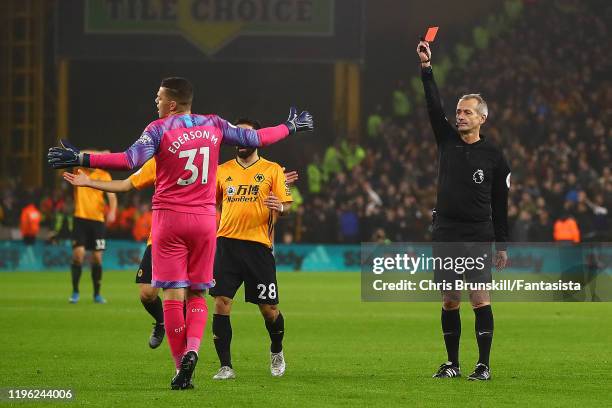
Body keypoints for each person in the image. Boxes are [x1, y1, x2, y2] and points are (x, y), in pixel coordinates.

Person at [48, 76, 313, 390]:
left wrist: (82, 159)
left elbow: (127, 160)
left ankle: (180, 369)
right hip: (203, 222)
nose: (156, 102)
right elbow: (258, 138)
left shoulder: (159, 130)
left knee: (173, 296)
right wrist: (290, 127)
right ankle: (193, 350)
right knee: (199, 295)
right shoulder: (213, 124)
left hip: (169, 220)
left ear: (172, 103)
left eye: (159, 97)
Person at [63, 155, 298, 351]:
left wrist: (272, 180)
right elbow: (126, 183)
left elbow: (234, 185)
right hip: (162, 236)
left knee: (191, 297)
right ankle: (162, 322)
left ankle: (188, 357)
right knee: (147, 293)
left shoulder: (202, 161)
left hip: (194, 237)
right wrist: (88, 182)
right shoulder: (158, 161)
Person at [417, 40, 510, 381]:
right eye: (458, 111)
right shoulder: (447, 140)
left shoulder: (495, 156)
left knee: (479, 297)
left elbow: (501, 203)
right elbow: (432, 107)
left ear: (482, 118)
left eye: (467, 111)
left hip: (478, 234)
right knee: (450, 299)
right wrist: (427, 69)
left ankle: (483, 365)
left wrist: (501, 243)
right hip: (447, 232)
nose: (460, 115)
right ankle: (452, 364)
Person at [209, 118, 293, 380]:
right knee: (222, 303)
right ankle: (225, 366)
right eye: (237, 136)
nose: (241, 141)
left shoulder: (272, 170)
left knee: (269, 310)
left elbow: (286, 204)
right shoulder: (221, 170)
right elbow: (211, 203)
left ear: (256, 139)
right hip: (227, 245)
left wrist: (280, 207)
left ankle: (277, 350)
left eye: (246, 136)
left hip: (258, 247)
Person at [69, 162, 117, 304]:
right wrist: (100, 152)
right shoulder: (79, 170)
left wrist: (113, 211)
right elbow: (79, 153)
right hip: (80, 218)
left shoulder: (104, 174)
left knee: (97, 257)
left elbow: (112, 195)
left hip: (98, 221)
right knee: (78, 255)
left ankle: (97, 294)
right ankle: (75, 291)